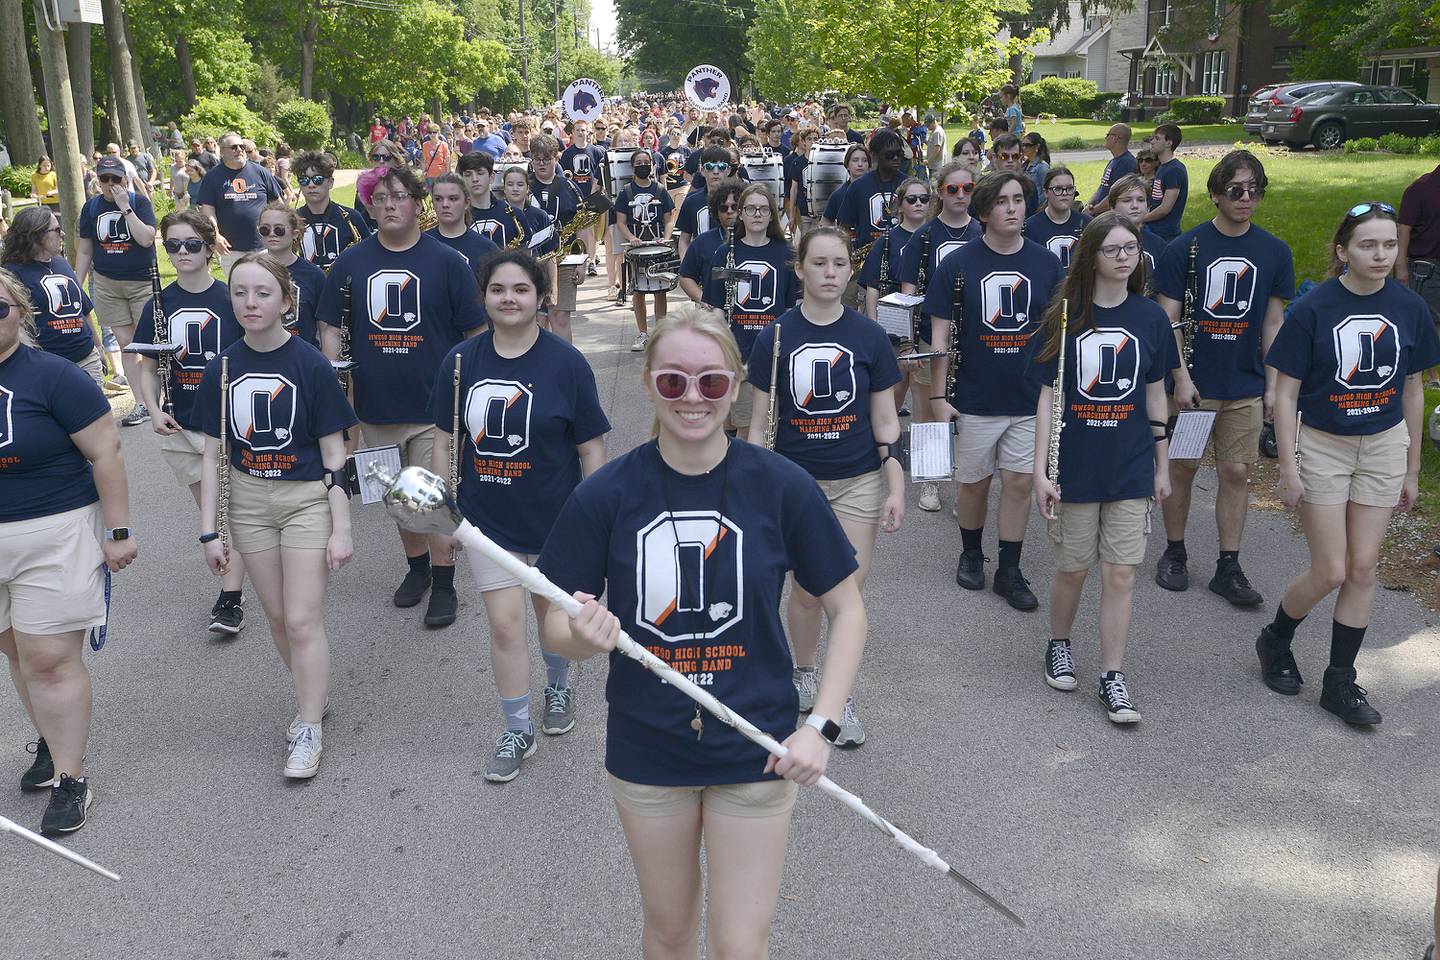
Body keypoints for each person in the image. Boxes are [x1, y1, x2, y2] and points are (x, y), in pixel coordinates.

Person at [537, 305, 866, 959]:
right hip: (649, 749)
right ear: (648, 384)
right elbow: (553, 626)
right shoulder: (605, 494)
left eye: (712, 382)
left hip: (756, 748)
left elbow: (848, 609)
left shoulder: (780, 486)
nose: (693, 398)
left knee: (741, 944)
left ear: (736, 385)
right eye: (673, 382)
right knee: (670, 931)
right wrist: (584, 636)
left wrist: (820, 725)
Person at [427, 251, 609, 782]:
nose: (509, 298)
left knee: (552, 627)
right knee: (505, 629)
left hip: (557, 522)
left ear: (539, 297)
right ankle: (518, 727)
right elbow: (443, 441)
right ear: (484, 297)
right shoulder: (459, 362)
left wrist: (595, 522)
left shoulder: (567, 363)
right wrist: (445, 513)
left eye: (521, 289)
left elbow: (592, 450)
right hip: (488, 525)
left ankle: (559, 683)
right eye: (498, 289)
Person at [1258, 202, 1439, 726]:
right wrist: (1288, 467)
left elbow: (1412, 391)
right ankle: (1276, 639)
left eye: (1389, 244)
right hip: (1323, 445)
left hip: (1383, 445)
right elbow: (1285, 395)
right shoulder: (1314, 309)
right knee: (1331, 569)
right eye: (1368, 245)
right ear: (1343, 252)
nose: (1381, 254)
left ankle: (1340, 682)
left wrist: (1411, 468)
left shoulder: (1410, 308)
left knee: (1362, 569)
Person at [197, 252, 358, 777]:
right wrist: (210, 532)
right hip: (248, 504)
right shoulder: (222, 366)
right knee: (278, 620)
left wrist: (341, 527)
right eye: (240, 292)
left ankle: (308, 724)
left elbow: (335, 454)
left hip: (306, 500)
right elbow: (213, 454)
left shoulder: (309, 362)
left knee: (304, 618)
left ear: (286, 302)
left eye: (263, 292)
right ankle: (314, 696)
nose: (250, 302)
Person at [747, 226, 903, 747]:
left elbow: (885, 420)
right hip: (795, 485)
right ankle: (805, 672)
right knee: (808, 592)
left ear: (850, 270)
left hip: (858, 480)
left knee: (847, 593)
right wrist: (751, 486)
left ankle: (839, 697)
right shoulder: (775, 337)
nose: (830, 273)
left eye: (839, 263)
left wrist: (896, 482)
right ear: (801, 269)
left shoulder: (870, 337)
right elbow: (757, 424)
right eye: (819, 263)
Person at [317, 165, 486, 628]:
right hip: (372, 406)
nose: (389, 206)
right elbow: (329, 327)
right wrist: (337, 384)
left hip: (434, 409)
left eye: (399, 197)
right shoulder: (351, 262)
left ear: (418, 203)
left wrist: (466, 389)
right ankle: (418, 570)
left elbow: (476, 331)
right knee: (396, 499)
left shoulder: (448, 263)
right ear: (370, 206)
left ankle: (446, 582)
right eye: (381, 199)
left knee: (432, 499)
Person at [0, 265, 137, 836]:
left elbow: (106, 453)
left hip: (53, 531)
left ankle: (70, 777)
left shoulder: (53, 376)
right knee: (14, 651)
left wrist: (119, 530)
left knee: (48, 659)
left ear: (22, 314)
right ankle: (51, 744)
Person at [1030, 213, 1172, 724]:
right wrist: (1041, 469)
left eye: (1130, 248)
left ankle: (1113, 675)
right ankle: (1059, 642)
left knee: (1121, 572)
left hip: (1131, 462)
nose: (1123, 257)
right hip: (1076, 463)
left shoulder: (1151, 318)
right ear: (1090, 256)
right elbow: (1047, 397)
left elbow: (1155, 393)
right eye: (1112, 249)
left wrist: (1162, 464)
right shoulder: (1066, 316)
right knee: (1072, 568)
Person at [1154, 151, 1294, 606]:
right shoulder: (1185, 249)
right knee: (1184, 467)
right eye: (1236, 189)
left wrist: (1274, 385)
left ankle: (1228, 565)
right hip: (1196, 387)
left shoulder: (1276, 251)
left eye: (1254, 189)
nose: (1246, 198)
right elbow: (1168, 320)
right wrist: (1181, 377)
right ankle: (1175, 551)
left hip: (1246, 384)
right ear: (1216, 194)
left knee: (1237, 471)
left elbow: (1273, 325)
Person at [924, 171, 1062, 610]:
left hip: (1027, 394)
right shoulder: (958, 265)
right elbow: (940, 336)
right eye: (1002, 201)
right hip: (975, 396)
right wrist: (939, 396)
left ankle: (1009, 568)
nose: (1013, 208)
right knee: (974, 483)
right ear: (984, 212)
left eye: (1019, 200)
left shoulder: (1046, 264)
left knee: (1019, 483)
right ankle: (970, 552)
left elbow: (1056, 330)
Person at [131, 208, 250, 633]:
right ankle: (233, 590)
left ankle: (232, 596)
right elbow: (148, 365)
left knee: (231, 510)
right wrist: (153, 408)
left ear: (208, 247)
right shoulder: (159, 304)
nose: (182, 252)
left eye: (191, 244)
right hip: (182, 424)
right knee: (213, 512)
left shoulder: (230, 297)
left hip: (229, 423)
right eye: (173, 245)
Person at [897, 161, 983, 513]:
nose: (960, 195)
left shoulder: (982, 231)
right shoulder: (925, 236)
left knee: (969, 412)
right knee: (927, 411)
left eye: (968, 189)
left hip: (974, 341)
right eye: (953, 189)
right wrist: (908, 344)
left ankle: (966, 486)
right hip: (930, 339)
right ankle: (930, 480)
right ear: (940, 192)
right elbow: (908, 292)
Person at [74, 155, 158, 423]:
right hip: (108, 282)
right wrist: (77, 283)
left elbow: (146, 239)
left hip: (142, 280)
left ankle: (159, 395)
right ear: (98, 180)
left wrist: (125, 207)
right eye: (104, 178)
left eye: (115, 178)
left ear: (125, 178)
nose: (110, 184)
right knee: (126, 345)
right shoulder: (90, 208)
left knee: (149, 343)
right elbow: (85, 249)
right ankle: (141, 402)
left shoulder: (139, 202)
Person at [1, 207, 103, 385]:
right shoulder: (11, 273)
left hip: (86, 359)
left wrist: (98, 346)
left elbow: (83, 309)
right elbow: (14, 323)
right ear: (37, 235)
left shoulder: (61, 263)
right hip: (48, 366)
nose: (62, 233)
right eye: (56, 230)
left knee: (96, 412)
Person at [197, 131, 284, 275]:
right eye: (234, 147)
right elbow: (208, 211)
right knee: (237, 292)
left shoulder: (261, 172)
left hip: (264, 246)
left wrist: (279, 233)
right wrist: (216, 235)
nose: (239, 150)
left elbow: (278, 205)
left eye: (242, 146)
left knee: (267, 289)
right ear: (222, 152)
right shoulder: (212, 177)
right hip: (231, 250)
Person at [527, 134, 586, 342]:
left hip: (565, 261)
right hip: (531, 263)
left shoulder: (569, 187)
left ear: (556, 159)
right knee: (536, 321)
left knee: (559, 318)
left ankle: (564, 367)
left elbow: (583, 226)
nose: (541, 163)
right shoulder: (523, 188)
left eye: (547, 158)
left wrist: (582, 261)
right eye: (537, 158)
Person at [616, 149, 677, 352]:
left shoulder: (660, 190)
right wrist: (631, 238)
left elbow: (669, 219)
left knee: (660, 291)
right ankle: (643, 333)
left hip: (658, 248)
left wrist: (666, 239)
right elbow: (621, 222)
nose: (643, 165)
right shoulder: (626, 192)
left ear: (651, 165)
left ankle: (660, 333)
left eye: (646, 162)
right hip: (637, 249)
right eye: (638, 162)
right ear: (633, 166)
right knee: (639, 291)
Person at [256, 202, 328, 347]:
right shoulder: (251, 271)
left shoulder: (314, 275)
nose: (271, 234)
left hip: (304, 357)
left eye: (279, 229)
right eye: (264, 229)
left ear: (295, 233)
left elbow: (325, 329)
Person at [294, 150, 371, 272]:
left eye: (317, 179)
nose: (311, 185)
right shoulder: (292, 219)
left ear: (330, 182)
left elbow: (369, 255)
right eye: (304, 180)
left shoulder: (351, 217)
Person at [425, 173, 500, 288]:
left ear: (466, 202)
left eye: (453, 199)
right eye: (438, 199)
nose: (445, 205)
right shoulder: (422, 243)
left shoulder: (487, 248)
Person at [836, 129, 905, 251]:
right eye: (889, 154)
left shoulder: (909, 185)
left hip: (902, 254)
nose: (896, 158)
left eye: (899, 154)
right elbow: (844, 227)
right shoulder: (858, 187)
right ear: (874, 155)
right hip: (867, 257)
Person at [560, 121, 608, 275]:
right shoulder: (567, 154)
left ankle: (592, 261)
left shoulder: (596, 151)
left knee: (592, 229)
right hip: (574, 196)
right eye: (578, 130)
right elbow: (563, 177)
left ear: (588, 132)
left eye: (584, 130)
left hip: (592, 195)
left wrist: (598, 190)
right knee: (582, 230)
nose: (581, 133)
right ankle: (587, 257)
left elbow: (602, 173)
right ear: (572, 133)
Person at [1024, 165, 1091, 271]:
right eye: (1058, 189)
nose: (1064, 193)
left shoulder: (1087, 224)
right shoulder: (1030, 227)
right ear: (1046, 192)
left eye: (1069, 189)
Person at [1397, 161, 1440, 320]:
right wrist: (1400, 266)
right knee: (1428, 321)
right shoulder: (1420, 189)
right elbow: (1403, 229)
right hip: (1426, 267)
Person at [676, 146, 736, 258]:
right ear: (702, 170)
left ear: (728, 170)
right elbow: (684, 239)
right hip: (700, 266)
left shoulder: (739, 199)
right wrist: (686, 266)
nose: (716, 172)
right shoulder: (691, 201)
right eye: (710, 167)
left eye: (721, 167)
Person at [1107, 173, 1169, 281]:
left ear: (1148, 207)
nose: (1135, 206)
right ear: (1112, 207)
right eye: (1127, 200)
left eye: (1140, 200)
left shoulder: (1159, 245)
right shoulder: (1103, 242)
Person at [1143, 124, 1187, 242]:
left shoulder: (1174, 170)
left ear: (1169, 143)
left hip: (1165, 235)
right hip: (1154, 229)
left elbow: (1165, 209)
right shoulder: (1163, 167)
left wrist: (1141, 219)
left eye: (1157, 138)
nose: (1152, 141)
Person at [1083, 124, 1137, 217]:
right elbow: (1102, 187)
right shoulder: (1114, 161)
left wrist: (1094, 210)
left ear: (1115, 138)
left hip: (1109, 217)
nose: (1105, 138)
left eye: (1108, 135)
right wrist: (1089, 205)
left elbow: (1117, 195)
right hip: (1097, 213)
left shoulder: (1126, 163)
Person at [820, 144, 870, 228]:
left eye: (864, 160)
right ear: (847, 165)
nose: (860, 164)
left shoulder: (876, 190)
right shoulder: (837, 195)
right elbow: (824, 223)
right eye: (855, 160)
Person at [989, 134, 1038, 217]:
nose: (1010, 160)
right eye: (1004, 156)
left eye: (1015, 156)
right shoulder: (986, 187)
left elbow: (1031, 218)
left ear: (1021, 158)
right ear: (994, 157)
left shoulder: (1029, 186)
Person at [1020, 133, 1051, 202]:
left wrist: (1036, 205)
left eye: (1027, 145)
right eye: (1023, 145)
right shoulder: (1025, 165)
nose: (1024, 148)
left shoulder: (1042, 167)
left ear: (1037, 146)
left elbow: (1047, 191)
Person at [30, 156, 60, 222]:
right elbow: (34, 191)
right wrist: (34, 195)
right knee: (44, 221)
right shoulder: (34, 176)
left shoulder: (54, 174)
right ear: (40, 165)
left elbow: (59, 189)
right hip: (42, 202)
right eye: (44, 166)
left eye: (48, 165)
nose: (46, 168)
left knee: (56, 220)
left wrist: (52, 192)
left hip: (54, 202)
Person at [421, 124, 451, 189]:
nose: (432, 134)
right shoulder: (425, 145)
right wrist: (423, 172)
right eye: (430, 132)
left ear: (439, 133)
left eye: (434, 132)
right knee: (432, 194)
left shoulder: (444, 145)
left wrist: (448, 174)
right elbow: (424, 160)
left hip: (441, 174)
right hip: (430, 174)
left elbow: (447, 161)